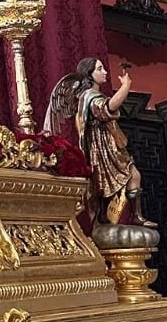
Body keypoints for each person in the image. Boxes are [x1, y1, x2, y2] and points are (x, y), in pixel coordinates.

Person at [45, 57, 150, 226]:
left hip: (111, 145)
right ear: (89, 74)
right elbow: (108, 107)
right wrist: (125, 86)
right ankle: (130, 216)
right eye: (100, 69)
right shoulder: (89, 96)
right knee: (123, 178)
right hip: (101, 148)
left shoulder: (92, 95)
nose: (105, 72)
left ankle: (129, 216)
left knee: (128, 177)